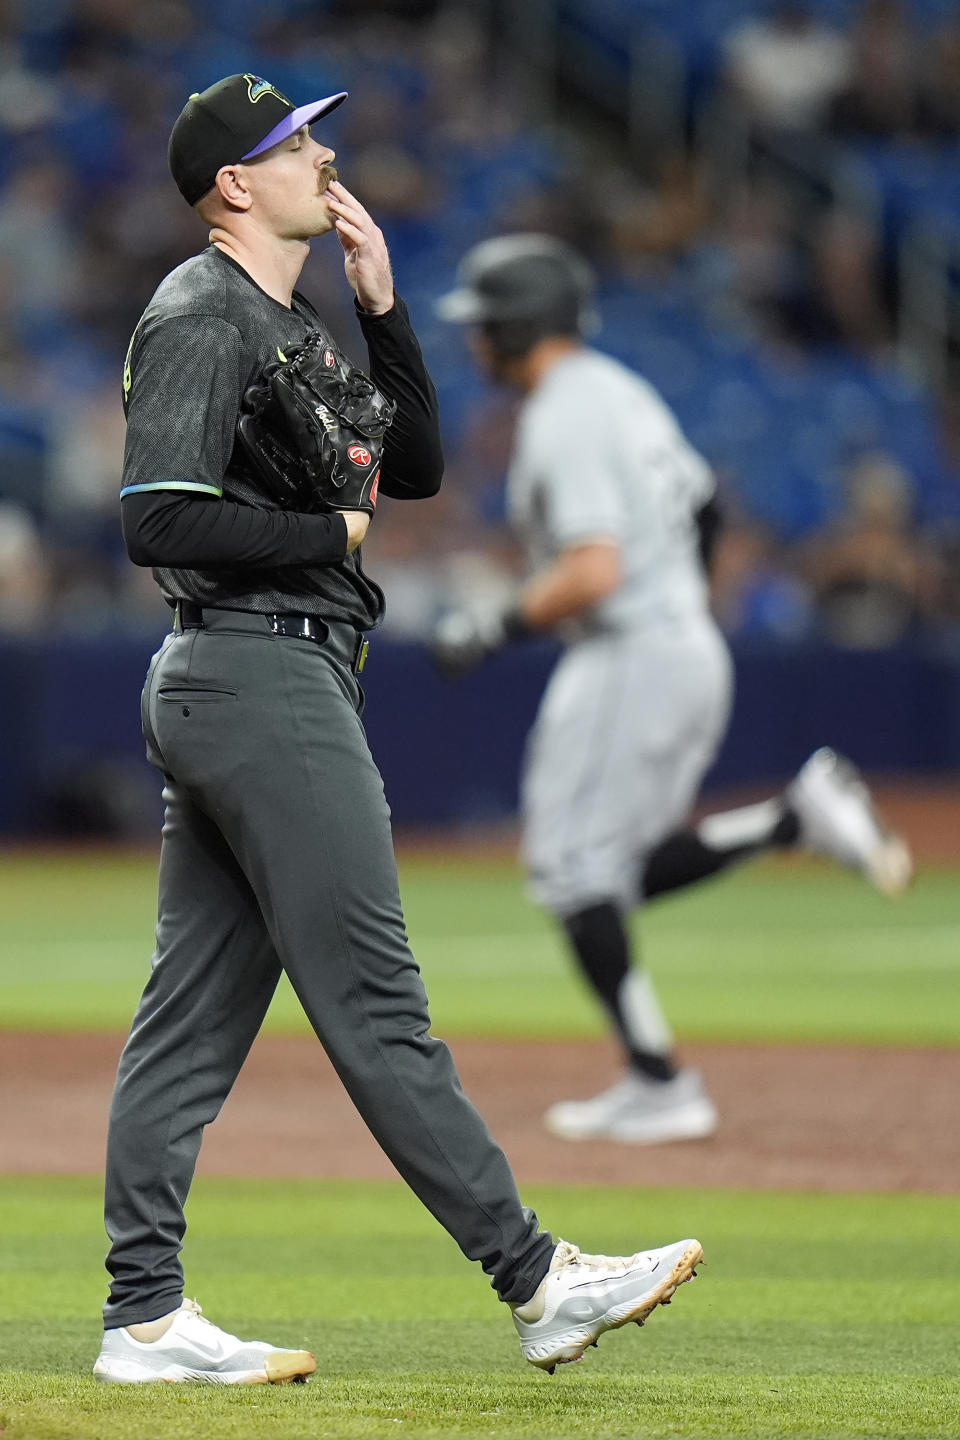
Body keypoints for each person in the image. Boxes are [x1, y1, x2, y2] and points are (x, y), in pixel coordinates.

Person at [94, 75, 705, 1387]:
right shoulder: (201, 312)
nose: (325, 153)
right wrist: (331, 537)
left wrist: (382, 306)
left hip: (259, 676)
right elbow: (156, 518)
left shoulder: (287, 310)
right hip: (257, 677)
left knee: (189, 1020)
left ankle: (143, 1320)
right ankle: (539, 1280)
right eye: (294, 142)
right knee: (377, 1004)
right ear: (236, 186)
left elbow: (410, 469)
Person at [432, 233, 913, 1146]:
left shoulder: (563, 416)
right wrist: (684, 603)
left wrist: (491, 627)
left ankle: (660, 1082)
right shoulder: (621, 391)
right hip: (675, 643)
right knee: (603, 872)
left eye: (483, 323)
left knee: (573, 872)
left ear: (519, 324)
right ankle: (789, 821)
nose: (473, 341)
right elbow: (707, 508)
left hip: (631, 652)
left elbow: (593, 569)